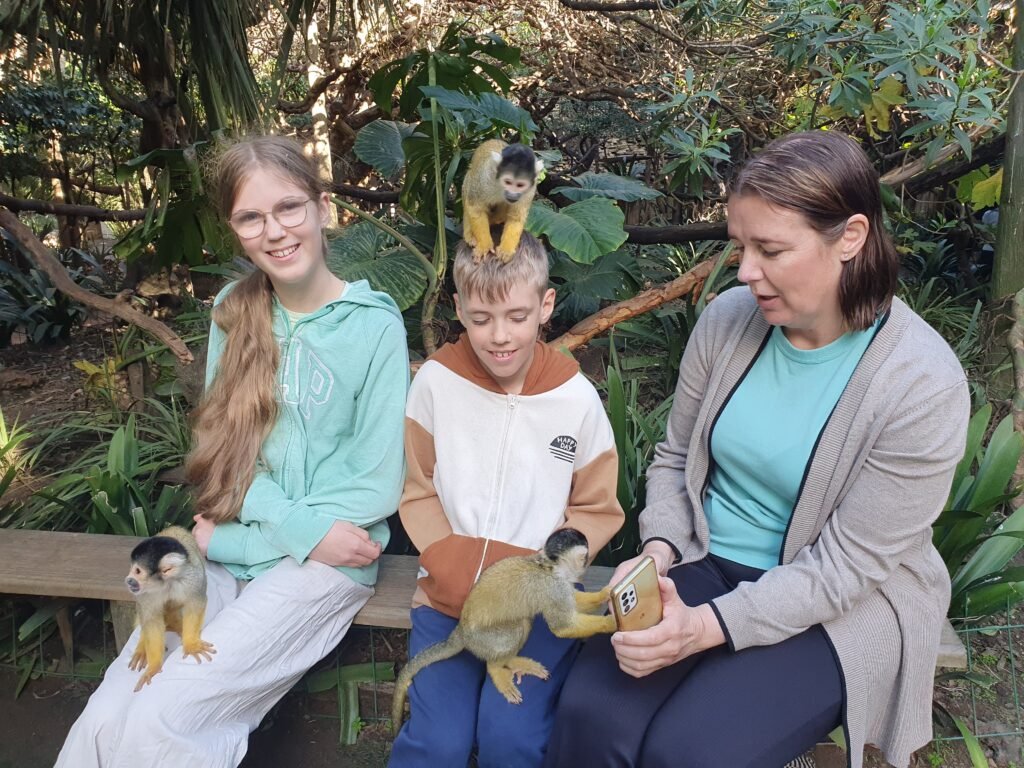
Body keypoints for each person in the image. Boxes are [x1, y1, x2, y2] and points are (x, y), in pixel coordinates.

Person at [544, 131, 970, 768]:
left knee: (688, 753)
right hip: (704, 559)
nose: (744, 271)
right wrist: (658, 556)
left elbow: (846, 570)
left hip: (838, 604)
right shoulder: (728, 320)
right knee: (590, 715)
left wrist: (702, 629)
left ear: (850, 237)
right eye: (741, 246)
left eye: (770, 250)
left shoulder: (921, 384)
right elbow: (675, 457)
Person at [56, 136, 408, 767]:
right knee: (111, 709)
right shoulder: (233, 310)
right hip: (238, 546)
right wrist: (267, 535)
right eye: (251, 217)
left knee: (168, 714)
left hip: (328, 563)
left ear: (324, 207)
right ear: (235, 230)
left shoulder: (374, 325)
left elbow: (376, 484)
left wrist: (246, 540)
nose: (274, 231)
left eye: (289, 207)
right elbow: (224, 454)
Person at [387, 232, 625, 768]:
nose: (499, 336)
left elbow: (596, 508)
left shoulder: (576, 398)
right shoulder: (436, 384)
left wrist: (550, 572)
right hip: (446, 602)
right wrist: (448, 560)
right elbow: (418, 488)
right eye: (481, 319)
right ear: (459, 310)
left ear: (546, 306)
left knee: (511, 740)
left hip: (537, 607)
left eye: (517, 317)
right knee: (438, 743)